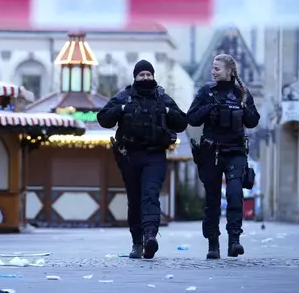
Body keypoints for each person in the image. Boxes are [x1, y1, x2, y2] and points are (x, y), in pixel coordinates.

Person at [97, 59, 188, 259]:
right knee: (135, 200)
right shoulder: (124, 96)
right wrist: (120, 110)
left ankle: (150, 238)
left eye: (149, 74)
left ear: (153, 76)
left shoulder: (162, 98)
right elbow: (103, 118)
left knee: (150, 195)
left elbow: (182, 121)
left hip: (155, 155)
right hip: (130, 156)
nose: (145, 78)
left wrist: (166, 111)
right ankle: (137, 243)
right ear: (135, 77)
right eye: (142, 75)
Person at [187, 54, 261, 260]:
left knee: (235, 196)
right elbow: (191, 118)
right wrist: (209, 107)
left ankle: (234, 242)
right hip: (211, 153)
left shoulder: (242, 94)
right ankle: (213, 244)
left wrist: (244, 107)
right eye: (212, 68)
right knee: (212, 200)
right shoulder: (206, 92)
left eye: (217, 68)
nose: (213, 71)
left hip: (235, 152)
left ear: (229, 71)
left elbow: (254, 121)